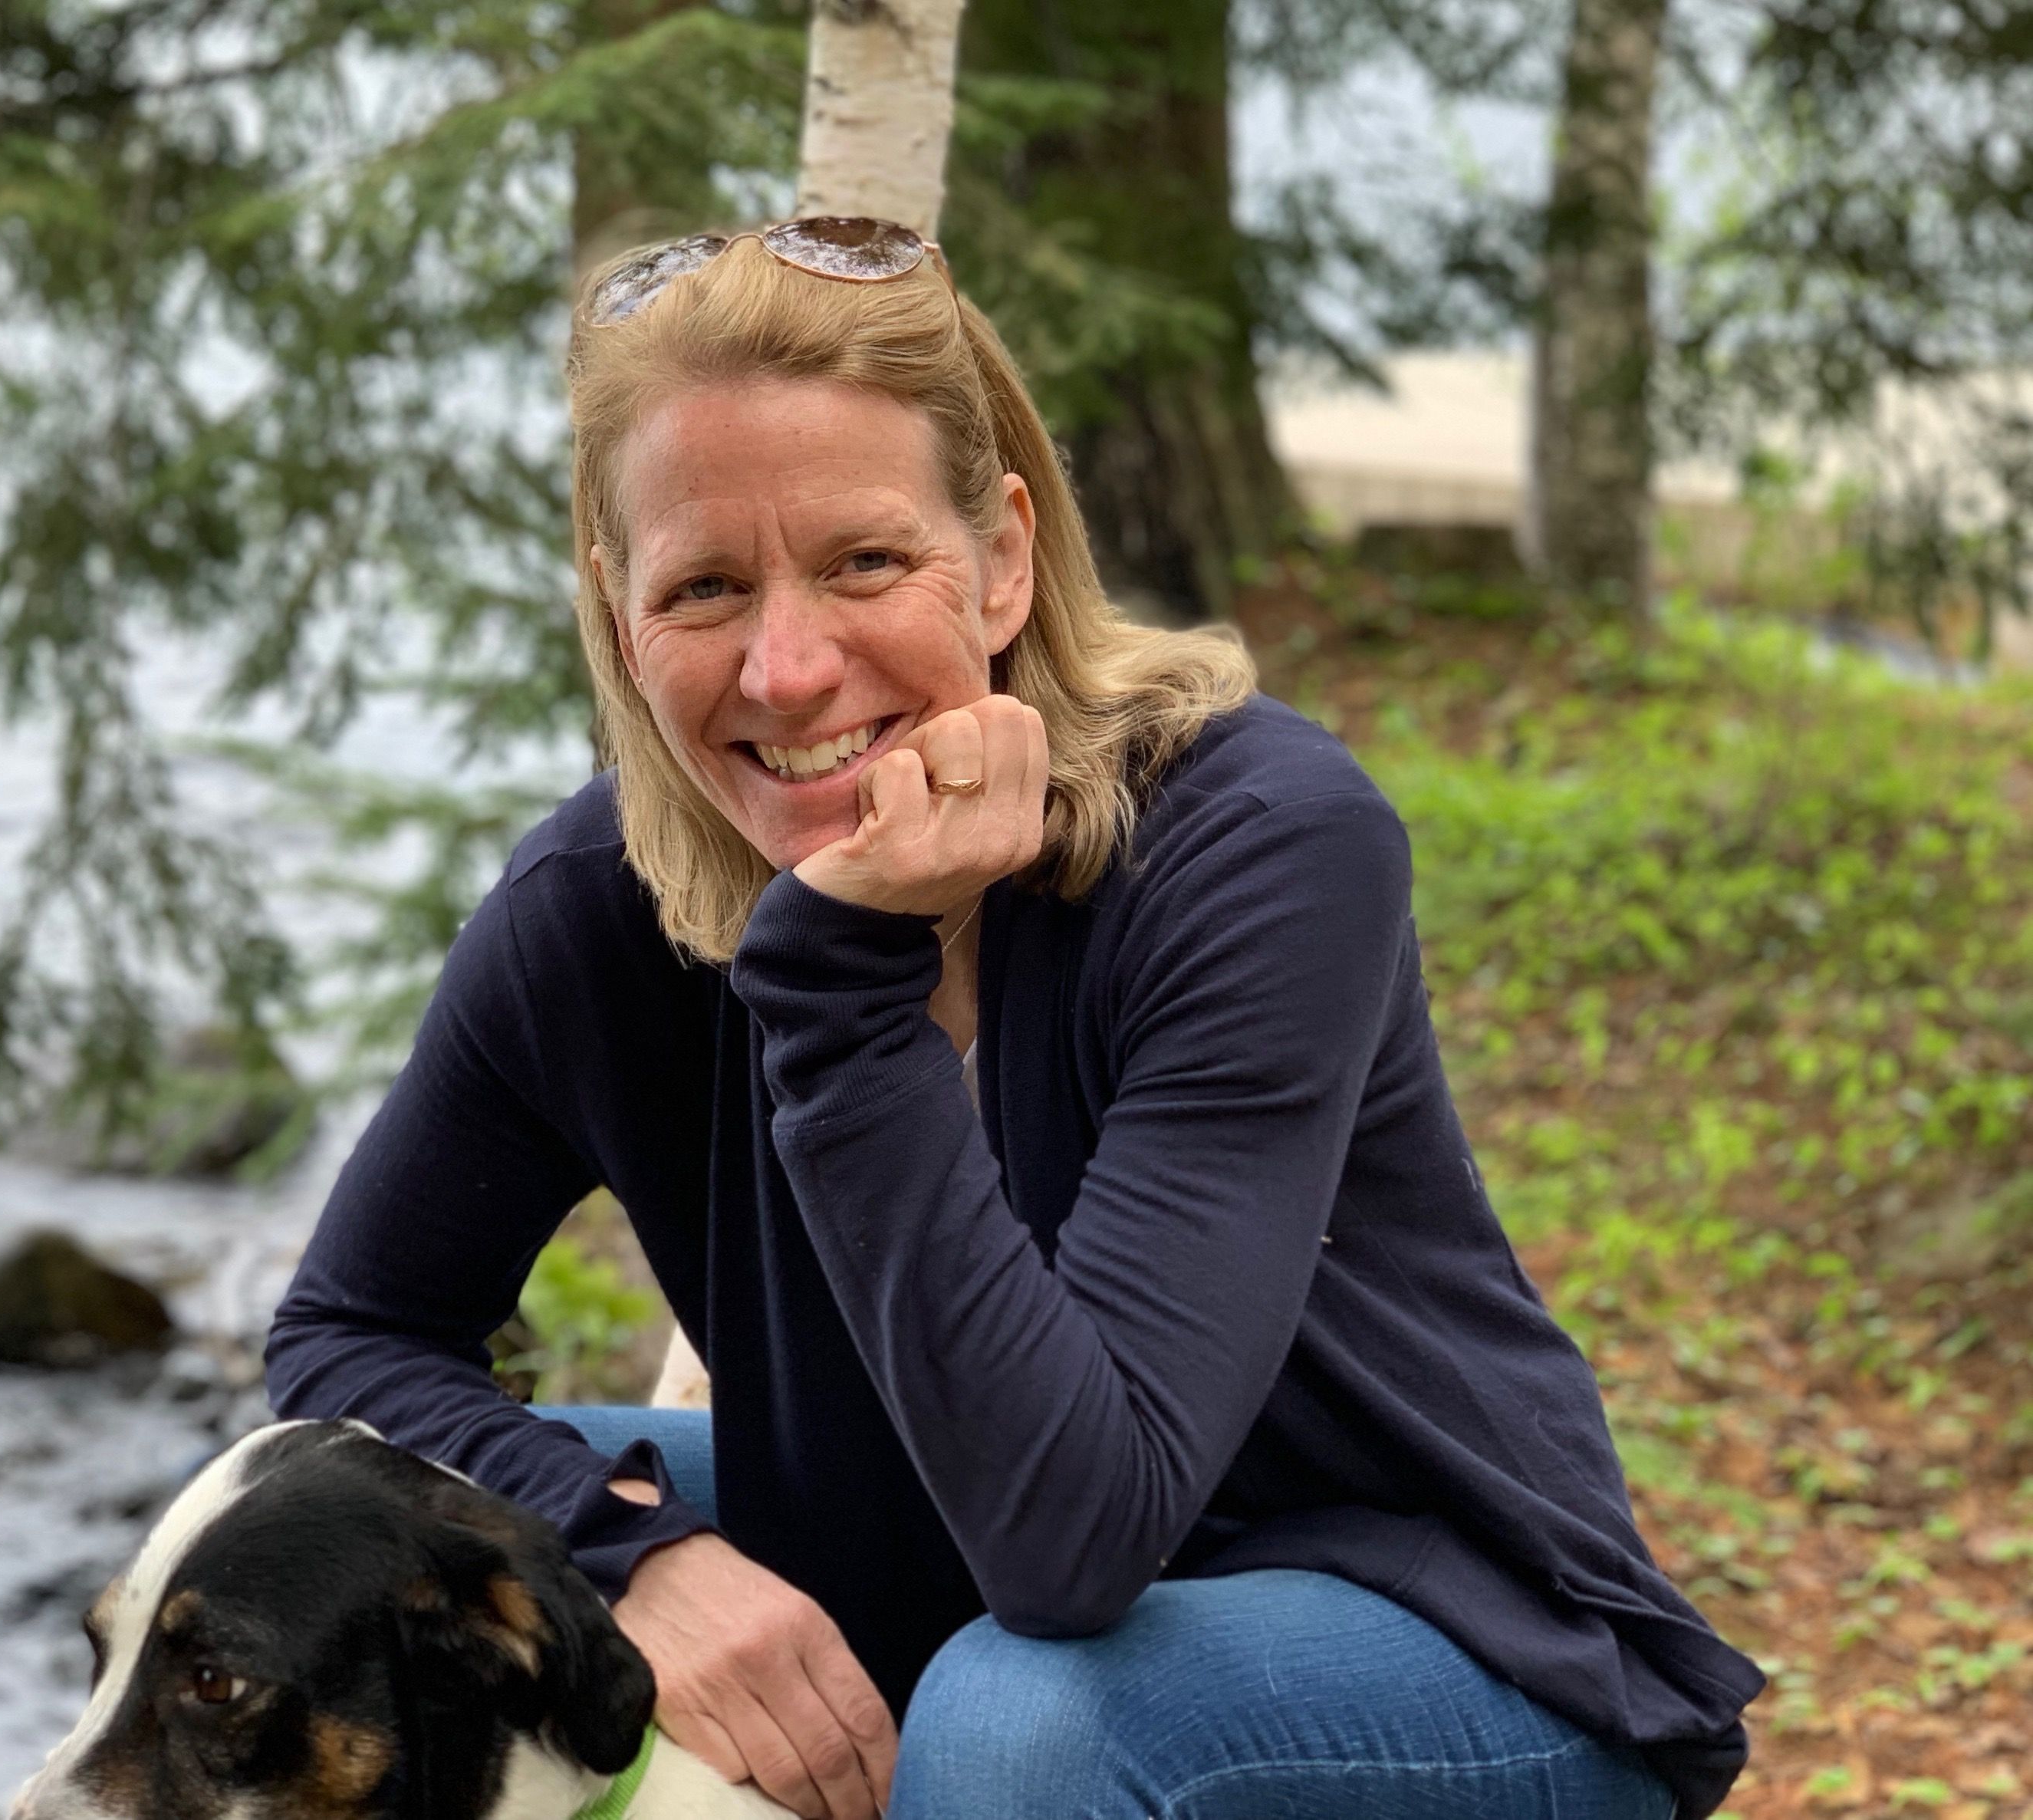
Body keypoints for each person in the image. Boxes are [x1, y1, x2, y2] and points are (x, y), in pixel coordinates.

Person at [265, 216, 1762, 1820]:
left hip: (1448, 1647)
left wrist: (838, 973)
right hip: (965, 1561)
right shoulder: (594, 907)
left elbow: (1069, 1538)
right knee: (411, 1525)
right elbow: (346, 1335)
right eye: (702, 585)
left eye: (861, 561)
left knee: (1023, 1715)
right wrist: (638, 1555)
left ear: (1000, 559)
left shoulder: (1259, 847)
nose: (785, 666)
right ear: (617, 610)